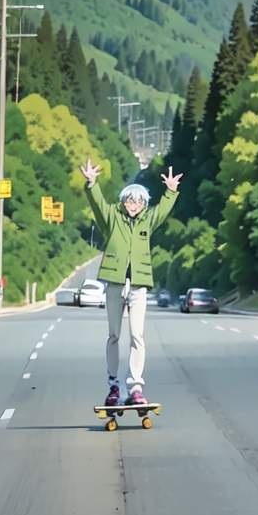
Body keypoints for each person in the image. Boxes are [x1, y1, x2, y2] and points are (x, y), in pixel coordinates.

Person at [79, 158, 183, 406]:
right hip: (115, 283)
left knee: (137, 336)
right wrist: (92, 184)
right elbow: (98, 204)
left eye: (138, 200)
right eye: (129, 200)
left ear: (144, 203)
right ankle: (113, 385)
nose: (133, 204)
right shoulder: (112, 218)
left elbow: (163, 210)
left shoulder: (148, 220)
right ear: (123, 201)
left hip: (138, 285)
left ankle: (135, 386)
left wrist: (170, 191)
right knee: (114, 335)